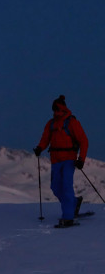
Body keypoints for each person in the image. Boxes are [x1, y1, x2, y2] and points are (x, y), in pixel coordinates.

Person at [34, 95, 89, 227]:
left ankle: (68, 217)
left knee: (66, 186)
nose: (55, 113)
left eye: (57, 110)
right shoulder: (51, 123)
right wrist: (40, 148)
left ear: (63, 109)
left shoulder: (72, 122)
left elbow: (83, 141)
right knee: (55, 188)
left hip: (69, 159)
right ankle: (74, 203)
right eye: (54, 110)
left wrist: (81, 159)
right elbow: (45, 138)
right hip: (56, 160)